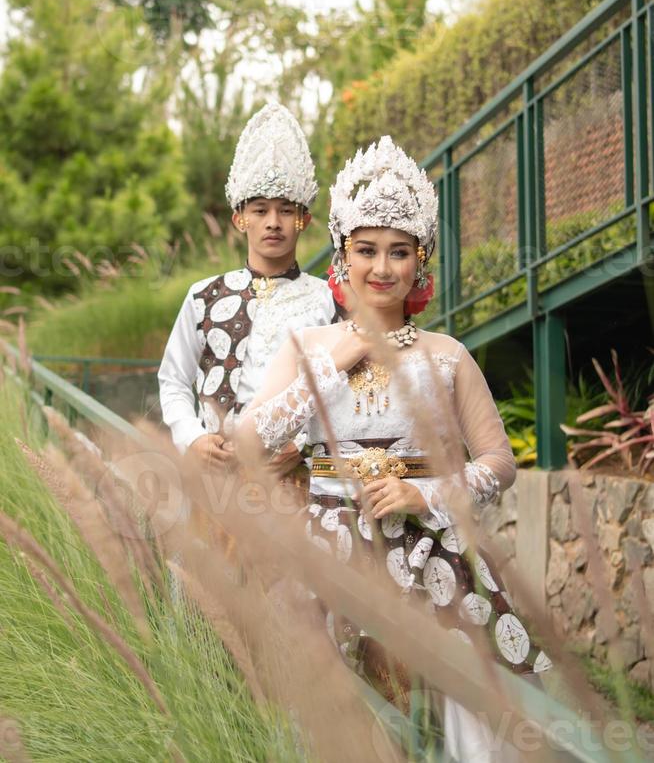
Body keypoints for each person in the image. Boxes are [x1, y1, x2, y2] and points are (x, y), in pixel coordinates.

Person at [237, 135, 551, 761]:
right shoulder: (309, 348)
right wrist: (337, 365)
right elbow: (251, 440)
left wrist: (424, 492)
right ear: (343, 258)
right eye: (367, 250)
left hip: (434, 544)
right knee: (330, 707)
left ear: (420, 262)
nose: (382, 268)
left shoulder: (448, 355)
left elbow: (498, 462)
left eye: (399, 252)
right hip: (328, 544)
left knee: (477, 699)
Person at [157, 101, 336, 475]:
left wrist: (303, 447)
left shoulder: (327, 299)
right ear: (240, 219)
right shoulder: (204, 297)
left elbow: (340, 388)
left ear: (304, 219)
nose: (273, 222)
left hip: (295, 482)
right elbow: (173, 379)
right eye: (260, 210)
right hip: (215, 477)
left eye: (286, 210)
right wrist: (192, 438)